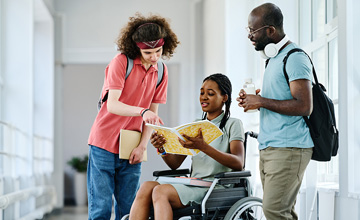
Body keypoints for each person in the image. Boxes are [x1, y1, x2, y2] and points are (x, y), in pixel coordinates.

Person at [87, 13, 180, 219]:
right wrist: (142, 111)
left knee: (131, 210)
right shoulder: (121, 62)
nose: (154, 57)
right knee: (100, 209)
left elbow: (153, 115)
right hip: (103, 142)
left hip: (132, 146)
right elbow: (112, 104)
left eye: (158, 51)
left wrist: (142, 146)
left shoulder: (162, 71)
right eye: (148, 52)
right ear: (136, 47)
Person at [128, 73, 245, 220]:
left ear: (224, 98)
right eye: (201, 93)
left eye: (210, 94)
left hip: (215, 187)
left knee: (160, 191)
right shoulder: (196, 125)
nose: (203, 97)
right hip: (194, 183)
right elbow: (175, 164)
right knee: (146, 187)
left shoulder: (233, 124)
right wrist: (162, 149)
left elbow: (238, 163)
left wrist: (203, 147)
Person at [236, 3, 313, 220]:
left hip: (289, 147)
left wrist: (260, 101)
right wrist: (257, 97)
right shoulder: (273, 59)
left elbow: (304, 106)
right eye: (248, 30)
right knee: (282, 212)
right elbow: (282, 97)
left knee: (274, 211)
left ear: (270, 30)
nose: (250, 36)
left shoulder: (295, 57)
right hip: (271, 146)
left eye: (253, 30)